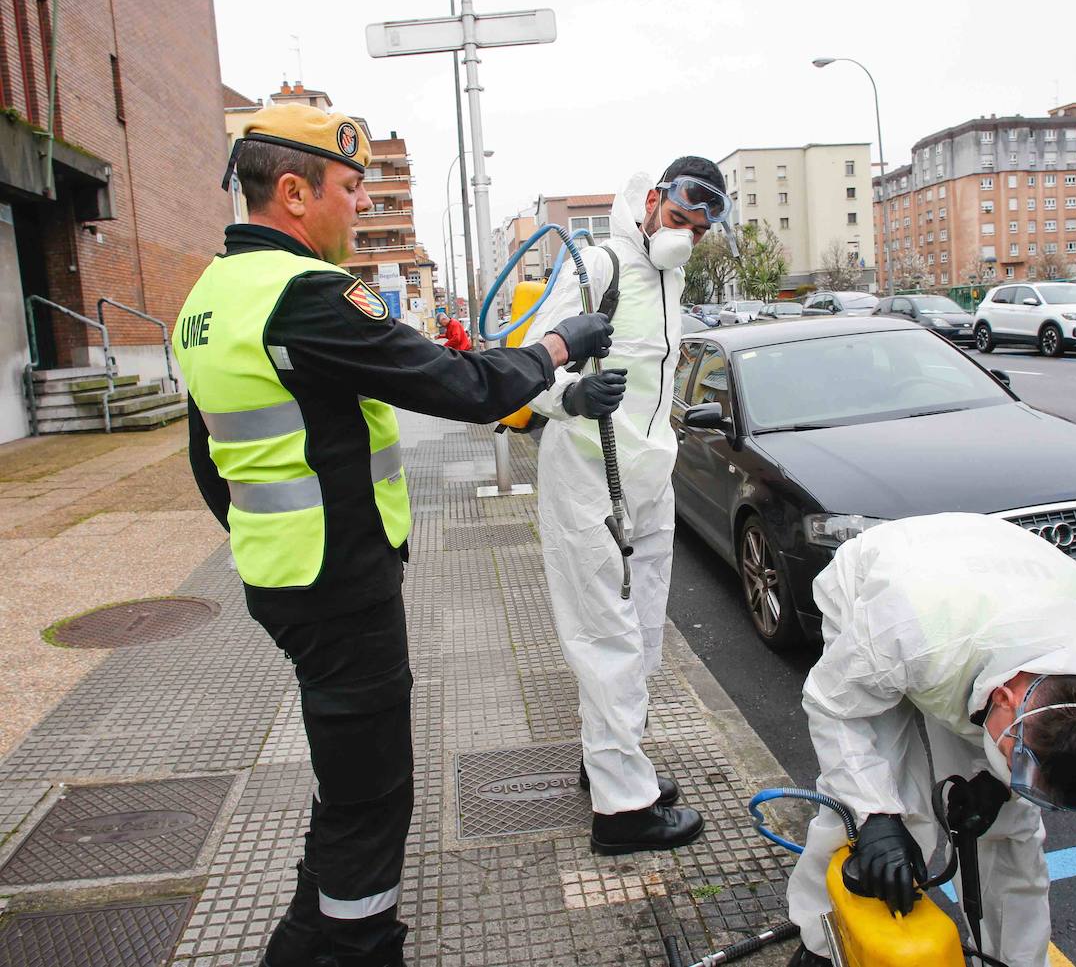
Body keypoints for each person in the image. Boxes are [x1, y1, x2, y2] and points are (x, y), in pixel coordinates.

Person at [174, 103, 617, 967]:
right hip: (340, 585)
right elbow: (459, 384)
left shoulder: (208, 297)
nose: (353, 205)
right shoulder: (304, 295)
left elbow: (208, 457)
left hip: (282, 579)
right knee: (374, 793)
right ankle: (350, 946)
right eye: (348, 187)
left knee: (348, 779)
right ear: (295, 193)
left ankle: (331, 933)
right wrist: (560, 344)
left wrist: (262, 538)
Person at [785, 512, 1076, 967]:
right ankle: (824, 944)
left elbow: (1028, 768)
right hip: (895, 594)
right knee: (871, 797)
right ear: (1004, 699)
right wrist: (875, 816)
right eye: (1017, 763)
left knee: (1010, 831)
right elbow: (834, 707)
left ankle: (1015, 960)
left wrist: (998, 785)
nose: (1016, 776)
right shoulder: (899, 632)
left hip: (985, 591)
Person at [520, 157, 731, 854]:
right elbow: (526, 362)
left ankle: (609, 759)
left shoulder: (671, 280)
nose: (683, 238)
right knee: (603, 633)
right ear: (651, 202)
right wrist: (568, 398)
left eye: (696, 232)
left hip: (646, 476)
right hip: (586, 472)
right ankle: (622, 811)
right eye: (676, 221)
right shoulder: (599, 267)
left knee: (640, 631)